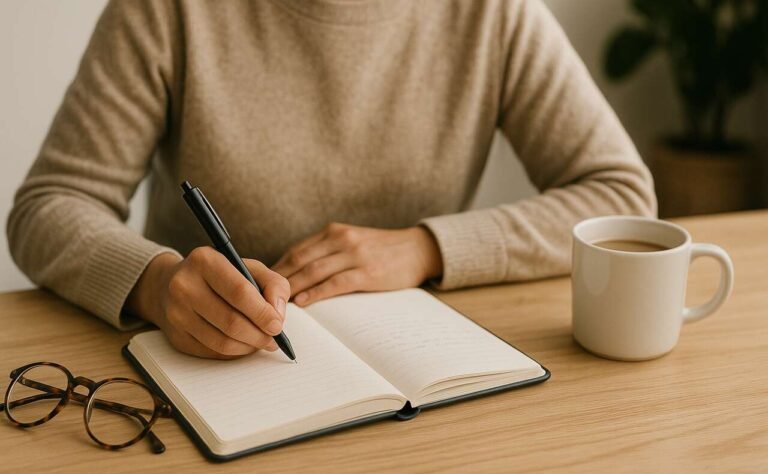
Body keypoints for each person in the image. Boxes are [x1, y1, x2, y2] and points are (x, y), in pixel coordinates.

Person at [8, 0, 655, 359]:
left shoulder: (495, 13)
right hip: (209, 372)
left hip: (419, 377)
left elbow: (619, 192)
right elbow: (49, 205)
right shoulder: (166, 10)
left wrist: (426, 246)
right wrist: (155, 284)